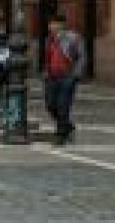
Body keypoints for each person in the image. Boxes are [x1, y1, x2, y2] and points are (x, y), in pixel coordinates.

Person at [42, 12, 86, 145]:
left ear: (61, 25)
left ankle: (60, 135)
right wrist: (46, 71)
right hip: (52, 77)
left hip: (67, 76)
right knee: (50, 105)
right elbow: (48, 57)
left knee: (63, 106)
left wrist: (75, 75)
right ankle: (67, 126)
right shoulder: (49, 39)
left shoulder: (73, 38)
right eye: (50, 24)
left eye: (54, 24)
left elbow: (81, 57)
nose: (51, 26)